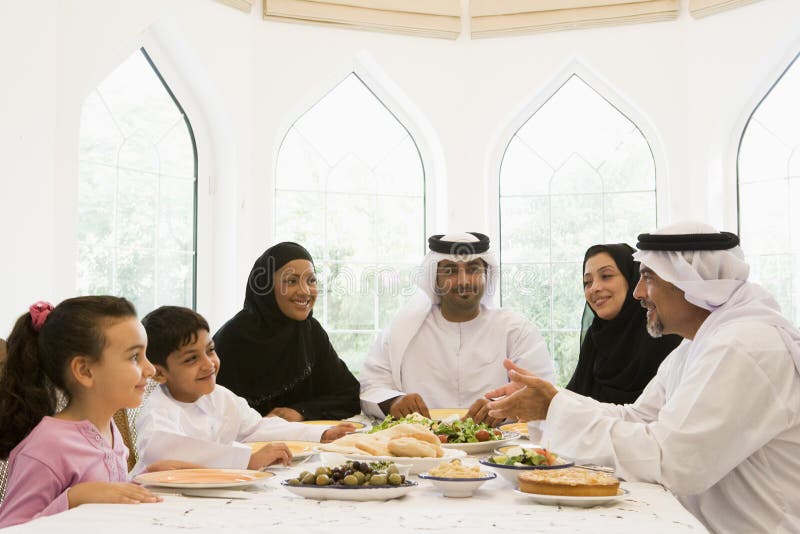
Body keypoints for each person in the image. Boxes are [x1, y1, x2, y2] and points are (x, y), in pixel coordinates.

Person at [485, 222, 800, 533]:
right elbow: (637, 416)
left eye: (647, 277)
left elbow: (673, 461)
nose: (637, 292)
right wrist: (549, 400)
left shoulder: (744, 344)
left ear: (690, 281)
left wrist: (553, 408)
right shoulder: (695, 346)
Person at [0, 297, 164, 527]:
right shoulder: (47, 446)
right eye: (134, 357)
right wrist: (73, 499)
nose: (151, 368)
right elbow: (10, 527)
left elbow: (107, 495)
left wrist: (150, 478)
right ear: (85, 371)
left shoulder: (109, 429)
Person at [359, 232, 554, 425]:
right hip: (423, 447)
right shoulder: (402, 330)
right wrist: (394, 401)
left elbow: (540, 393)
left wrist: (501, 406)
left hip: (501, 449)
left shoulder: (517, 330)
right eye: (450, 271)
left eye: (473, 269)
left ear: (486, 274)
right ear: (435, 279)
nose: (463, 281)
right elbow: (371, 386)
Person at [134, 306, 355, 474]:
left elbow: (256, 428)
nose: (208, 364)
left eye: (210, 350)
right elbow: (164, 454)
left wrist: (321, 433)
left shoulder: (220, 396)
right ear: (160, 373)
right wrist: (246, 461)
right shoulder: (158, 411)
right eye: (192, 359)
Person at [213, 242, 360, 421]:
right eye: (291, 281)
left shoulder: (311, 332)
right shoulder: (234, 338)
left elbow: (349, 395)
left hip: (304, 443)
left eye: (311, 280)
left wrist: (300, 412)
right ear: (265, 286)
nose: (305, 291)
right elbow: (212, 412)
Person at [567, 243, 681, 403]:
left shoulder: (662, 332)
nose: (594, 288)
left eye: (606, 276)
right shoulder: (596, 337)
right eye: (587, 282)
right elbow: (573, 400)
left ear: (632, 278)